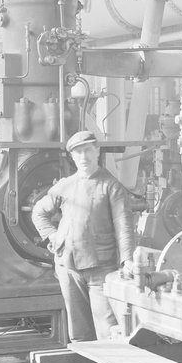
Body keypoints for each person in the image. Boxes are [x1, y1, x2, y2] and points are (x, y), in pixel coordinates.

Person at [31, 130, 135, 344]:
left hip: (101, 269)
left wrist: (127, 260)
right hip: (68, 267)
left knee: (107, 332)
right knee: (79, 333)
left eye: (88, 150)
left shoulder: (111, 186)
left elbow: (123, 225)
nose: (84, 156)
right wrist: (52, 236)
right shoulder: (65, 185)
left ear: (97, 151)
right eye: (78, 152)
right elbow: (39, 212)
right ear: (72, 156)